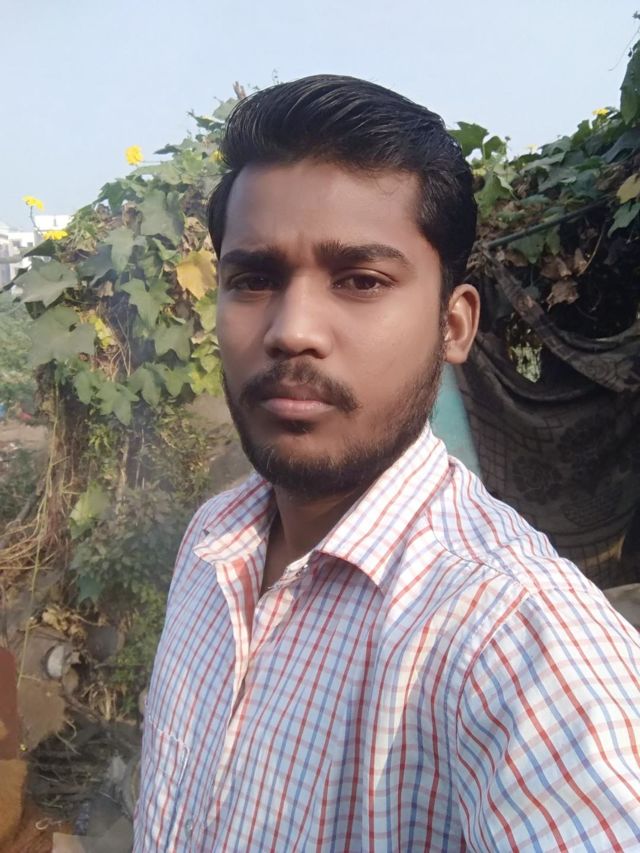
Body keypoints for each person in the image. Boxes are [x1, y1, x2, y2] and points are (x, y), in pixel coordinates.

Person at [135, 76, 640, 851]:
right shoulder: (212, 539)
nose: (292, 330)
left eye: (361, 280)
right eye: (253, 279)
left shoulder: (515, 636)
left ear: (454, 325)